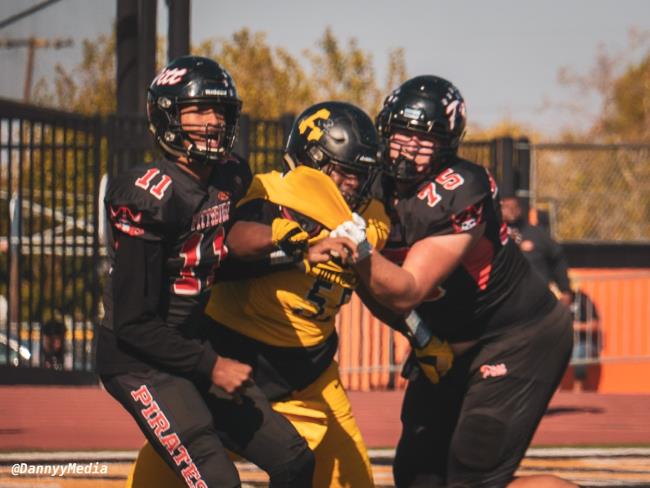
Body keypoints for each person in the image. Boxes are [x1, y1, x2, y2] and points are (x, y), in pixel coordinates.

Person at [96, 56, 350, 488]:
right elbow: (133, 323)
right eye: (198, 110)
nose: (212, 121)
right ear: (167, 116)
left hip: (189, 344)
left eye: (219, 111)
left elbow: (217, 254)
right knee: (218, 480)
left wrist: (301, 251)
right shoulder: (150, 195)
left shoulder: (227, 176)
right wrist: (211, 365)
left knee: (294, 460)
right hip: (139, 360)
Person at [128, 101, 391, 488]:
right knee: (160, 472)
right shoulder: (267, 194)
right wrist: (285, 241)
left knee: (353, 479)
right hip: (231, 363)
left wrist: (420, 334)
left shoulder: (370, 218)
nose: (355, 185)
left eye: (361, 174)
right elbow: (228, 243)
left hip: (310, 376)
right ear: (313, 161)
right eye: (345, 172)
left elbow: (383, 286)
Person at [334, 75, 577, 488]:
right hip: (447, 342)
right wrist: (421, 336)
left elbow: (408, 289)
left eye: (424, 138)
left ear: (446, 145)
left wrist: (357, 250)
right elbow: (377, 291)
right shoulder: (371, 182)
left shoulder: (462, 187)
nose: (409, 146)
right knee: (417, 474)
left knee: (473, 476)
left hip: (515, 338)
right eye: (401, 132)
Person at [500, 196, 572, 307]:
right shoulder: (494, 236)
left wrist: (565, 289)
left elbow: (558, 258)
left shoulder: (537, 234)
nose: (511, 210)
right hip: (507, 298)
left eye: (515, 206)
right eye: (506, 207)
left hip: (538, 298)